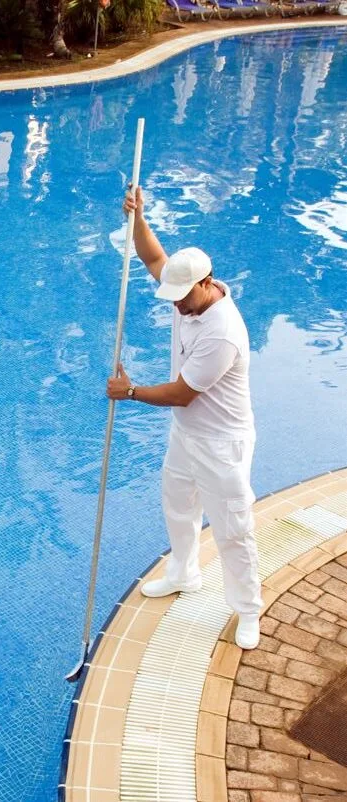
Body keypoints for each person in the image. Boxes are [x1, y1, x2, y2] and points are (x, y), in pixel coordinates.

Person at [106, 186, 261, 650]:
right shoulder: (187, 292)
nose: (173, 305)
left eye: (180, 297)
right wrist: (139, 218)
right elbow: (154, 259)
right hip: (188, 437)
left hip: (222, 444)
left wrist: (130, 391)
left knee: (233, 528)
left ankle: (248, 610)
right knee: (178, 505)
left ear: (206, 283)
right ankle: (184, 573)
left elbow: (182, 394)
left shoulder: (223, 332)